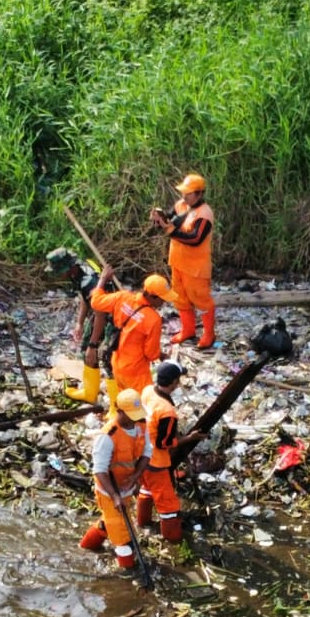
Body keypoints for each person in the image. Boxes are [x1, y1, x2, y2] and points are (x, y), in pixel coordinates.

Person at [78, 388, 149, 570]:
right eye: (131, 416)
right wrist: (114, 496)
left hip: (126, 487)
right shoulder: (107, 436)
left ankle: (86, 546)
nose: (134, 420)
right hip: (109, 491)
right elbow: (100, 471)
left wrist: (135, 477)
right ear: (119, 411)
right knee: (123, 538)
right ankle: (128, 571)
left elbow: (147, 453)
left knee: (110, 523)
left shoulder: (141, 426)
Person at [137, 362, 205, 543]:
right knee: (168, 504)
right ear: (174, 382)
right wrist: (189, 438)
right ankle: (173, 539)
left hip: (140, 453)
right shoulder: (167, 411)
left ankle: (143, 522)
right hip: (155, 461)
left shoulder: (148, 391)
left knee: (147, 488)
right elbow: (165, 443)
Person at [151, 173, 216, 349]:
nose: (184, 196)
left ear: (199, 194)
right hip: (177, 262)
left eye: (188, 193)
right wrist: (159, 218)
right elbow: (169, 220)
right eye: (183, 192)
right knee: (180, 298)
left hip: (196, 267)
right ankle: (188, 330)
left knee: (201, 300)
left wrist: (171, 231)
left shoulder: (204, 214)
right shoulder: (181, 205)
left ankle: (209, 334)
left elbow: (195, 239)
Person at [47, 248, 112, 403]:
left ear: (68, 268)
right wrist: (79, 323)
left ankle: (115, 404)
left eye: (59, 272)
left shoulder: (90, 281)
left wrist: (93, 345)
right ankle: (90, 392)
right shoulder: (78, 272)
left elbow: (101, 315)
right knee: (85, 351)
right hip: (100, 311)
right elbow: (84, 298)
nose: (58, 275)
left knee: (107, 358)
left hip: (113, 316)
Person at [92, 267, 169, 398]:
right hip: (136, 372)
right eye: (162, 299)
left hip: (117, 365)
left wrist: (103, 279)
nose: (164, 302)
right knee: (143, 406)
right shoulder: (153, 319)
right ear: (152, 296)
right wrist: (161, 355)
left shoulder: (122, 297)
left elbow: (96, 302)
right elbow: (151, 354)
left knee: (126, 403)